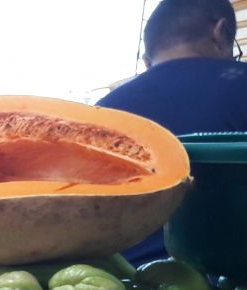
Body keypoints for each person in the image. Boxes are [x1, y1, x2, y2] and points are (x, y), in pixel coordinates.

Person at [97, 0, 247, 264]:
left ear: (146, 60)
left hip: (126, 289)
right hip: (233, 288)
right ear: (220, 33)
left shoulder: (103, 113)